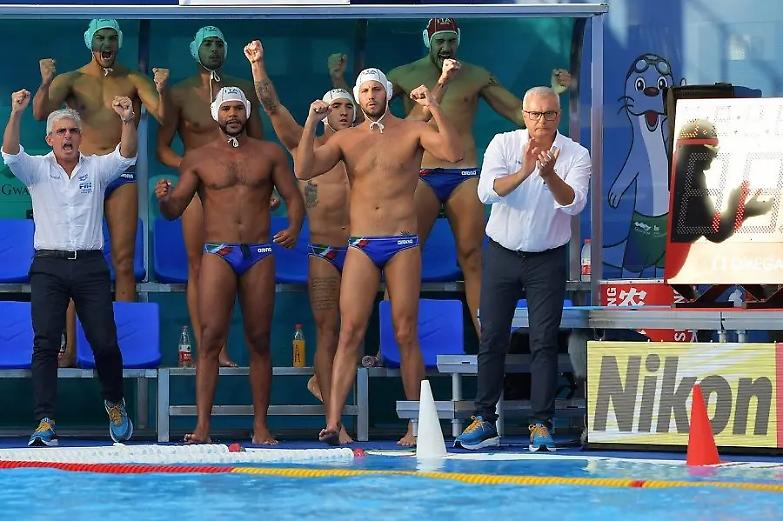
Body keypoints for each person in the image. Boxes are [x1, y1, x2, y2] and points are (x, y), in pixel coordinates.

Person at [331, 18, 571, 336]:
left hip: (463, 174)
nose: (446, 48)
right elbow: (368, 111)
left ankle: (488, 340)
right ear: (427, 41)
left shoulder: (476, 76)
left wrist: (553, 92)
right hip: (422, 172)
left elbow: (519, 113)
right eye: (439, 41)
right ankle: (387, 344)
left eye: (450, 41)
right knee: (402, 252)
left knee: (472, 257)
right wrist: (337, 77)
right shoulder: (403, 75)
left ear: (458, 40)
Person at [296, 68, 463, 446]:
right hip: (362, 244)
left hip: (402, 243)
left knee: (405, 333)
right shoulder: (347, 139)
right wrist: (310, 122)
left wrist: (433, 106)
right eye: (365, 91)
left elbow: (453, 152)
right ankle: (334, 423)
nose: (371, 96)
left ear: (387, 93)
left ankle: (416, 425)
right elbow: (304, 168)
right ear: (358, 99)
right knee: (349, 332)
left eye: (376, 89)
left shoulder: (411, 130)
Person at [156, 86, 304, 444]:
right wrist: (163, 199)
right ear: (216, 115)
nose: (233, 115)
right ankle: (202, 427)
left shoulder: (269, 154)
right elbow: (175, 210)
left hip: (259, 252)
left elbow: (293, 197)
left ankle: (261, 426)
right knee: (210, 339)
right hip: (219, 252)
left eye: (239, 109)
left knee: (259, 340)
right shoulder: (198, 157)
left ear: (247, 113)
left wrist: (294, 227)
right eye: (227, 109)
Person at [454, 86, 590, 451]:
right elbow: (487, 192)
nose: (540, 122)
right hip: (502, 253)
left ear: (558, 116)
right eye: (533, 115)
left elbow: (573, 204)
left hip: (547, 258)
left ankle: (541, 423)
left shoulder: (576, 154)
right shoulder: (503, 143)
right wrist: (527, 170)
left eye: (547, 115)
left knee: (543, 342)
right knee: (492, 336)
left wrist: (548, 176)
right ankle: (484, 418)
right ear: (524, 116)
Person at [2, 89, 137, 446]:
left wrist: (127, 120)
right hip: (48, 266)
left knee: (105, 343)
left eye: (72, 131)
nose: (67, 137)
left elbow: (127, 153)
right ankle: (44, 420)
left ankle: (115, 402)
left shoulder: (96, 166)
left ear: (80, 137)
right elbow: (11, 151)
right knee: (45, 343)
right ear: (49, 139)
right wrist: (16, 113)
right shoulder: (36, 169)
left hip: (91, 266)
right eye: (60, 132)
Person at [33, 18, 169, 367]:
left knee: (123, 263)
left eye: (112, 37)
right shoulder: (73, 79)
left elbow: (162, 115)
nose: (106, 43)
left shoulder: (132, 78)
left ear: (119, 42)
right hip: (83, 172)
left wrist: (159, 87)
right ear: (90, 43)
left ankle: (121, 348)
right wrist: (47, 81)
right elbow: (39, 113)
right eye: (100, 38)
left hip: (119, 171)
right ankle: (73, 349)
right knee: (73, 261)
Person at [244, 39, 354, 444]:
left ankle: (325, 390)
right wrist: (258, 65)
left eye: (349, 107)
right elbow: (271, 106)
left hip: (361, 249)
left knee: (352, 332)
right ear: (324, 114)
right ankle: (334, 422)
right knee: (328, 331)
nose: (343, 112)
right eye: (337, 106)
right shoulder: (304, 144)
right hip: (324, 250)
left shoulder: (364, 146)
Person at [157, 26, 266, 368]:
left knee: (240, 263)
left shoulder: (243, 89)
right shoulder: (178, 93)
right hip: (194, 189)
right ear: (195, 50)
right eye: (208, 43)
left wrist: (268, 188)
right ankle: (208, 345)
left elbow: (261, 146)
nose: (215, 49)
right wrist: (194, 167)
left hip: (236, 187)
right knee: (199, 265)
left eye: (220, 43)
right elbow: (161, 147)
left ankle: (225, 347)